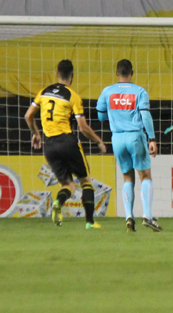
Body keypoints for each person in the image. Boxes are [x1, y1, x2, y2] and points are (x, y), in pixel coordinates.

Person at [25, 59, 106, 230]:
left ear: (56, 74)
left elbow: (28, 116)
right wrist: (98, 141)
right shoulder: (73, 96)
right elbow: (82, 127)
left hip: (49, 146)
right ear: (72, 76)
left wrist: (36, 133)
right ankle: (90, 222)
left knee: (68, 185)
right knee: (85, 181)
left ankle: (58, 202)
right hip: (68, 142)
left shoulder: (43, 92)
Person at [96, 59, 161, 232]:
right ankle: (147, 216)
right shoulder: (139, 91)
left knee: (127, 178)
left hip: (117, 139)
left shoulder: (107, 91)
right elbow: (145, 116)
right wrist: (152, 138)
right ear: (132, 73)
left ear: (117, 73)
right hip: (135, 137)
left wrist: (115, 114)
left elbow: (101, 116)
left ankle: (129, 217)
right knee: (145, 176)